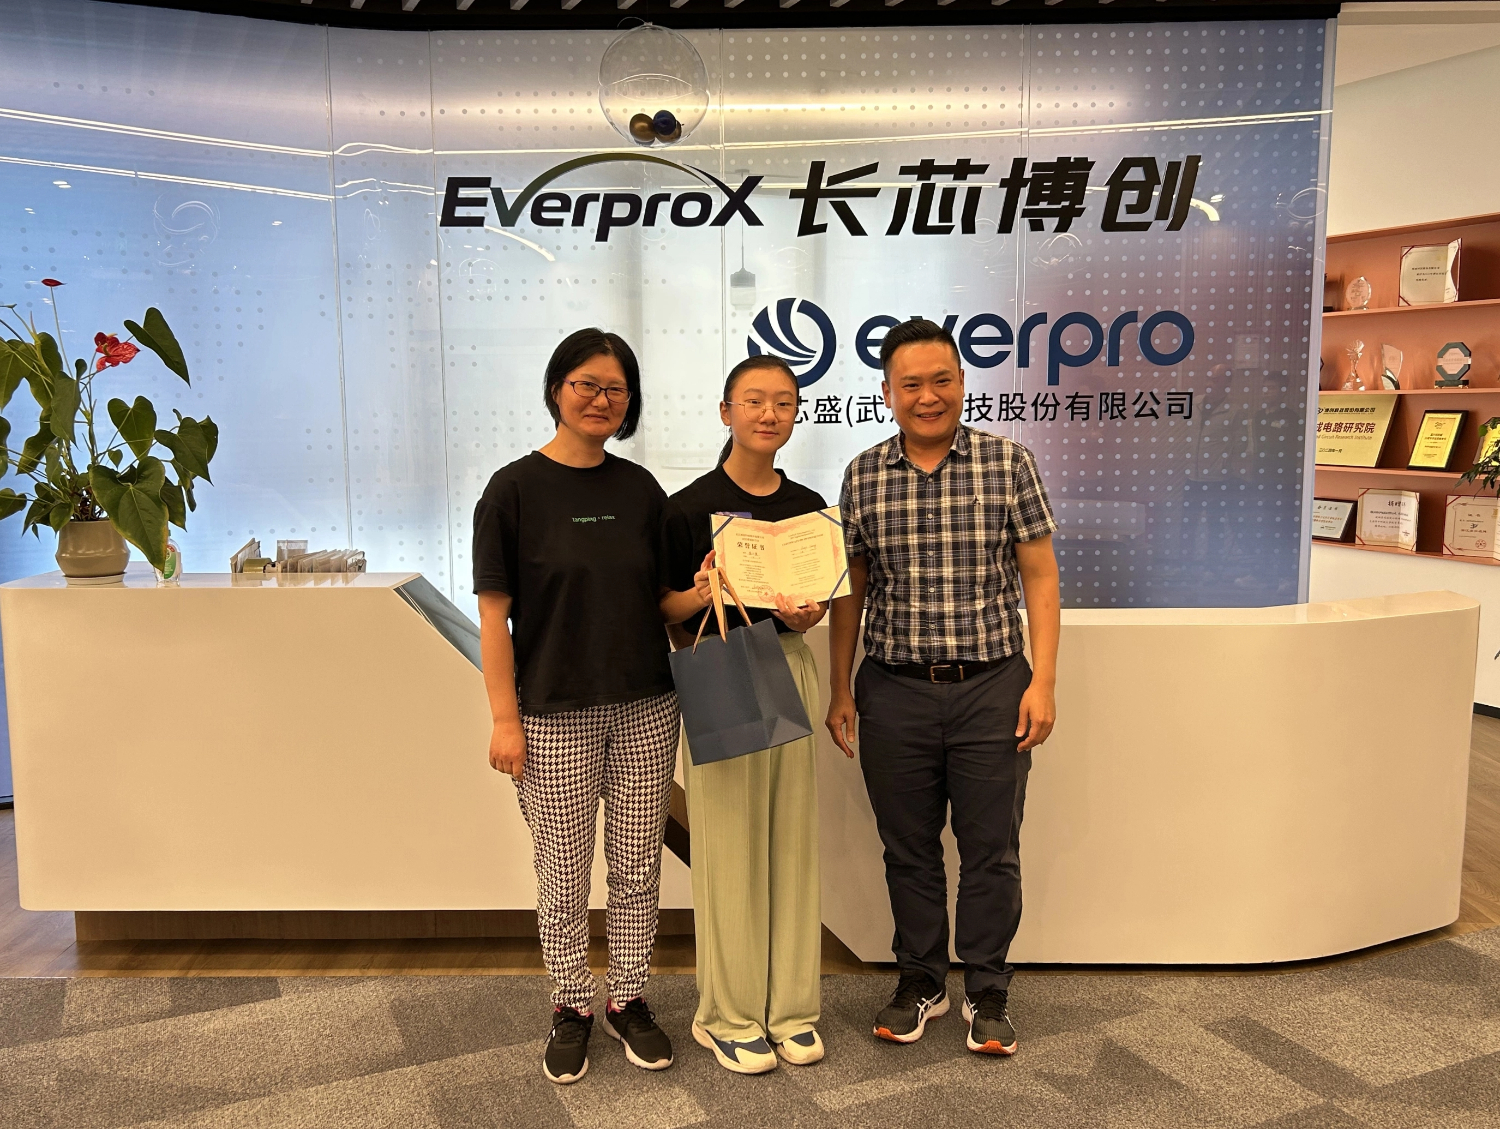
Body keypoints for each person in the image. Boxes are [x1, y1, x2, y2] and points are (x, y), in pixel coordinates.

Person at [825, 318, 1061, 1057]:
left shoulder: (1008, 463)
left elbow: (1040, 575)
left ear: (962, 382)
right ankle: (922, 980)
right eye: (911, 385)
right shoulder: (863, 474)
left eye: (942, 381)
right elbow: (851, 591)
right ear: (886, 393)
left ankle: (988, 987)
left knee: (992, 849)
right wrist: (840, 688)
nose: (928, 397)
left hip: (993, 685)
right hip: (893, 690)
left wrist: (1044, 680)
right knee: (908, 849)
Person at [473, 328, 679, 1085]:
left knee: (637, 866)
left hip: (646, 706)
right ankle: (570, 1005)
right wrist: (505, 718)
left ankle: (628, 997)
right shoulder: (512, 490)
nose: (601, 399)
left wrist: (716, 584)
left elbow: (664, 602)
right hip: (552, 712)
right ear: (557, 387)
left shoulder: (641, 491)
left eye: (616, 389)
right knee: (562, 870)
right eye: (587, 384)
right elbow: (494, 617)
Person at [659, 356, 828, 1075]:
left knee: (791, 841)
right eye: (754, 400)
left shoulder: (811, 506)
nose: (769, 414)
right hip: (723, 665)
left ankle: (790, 1008)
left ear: (796, 415)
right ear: (725, 411)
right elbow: (664, 610)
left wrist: (810, 614)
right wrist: (702, 592)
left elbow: (816, 602)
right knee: (728, 845)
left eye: (784, 402)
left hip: (788, 661)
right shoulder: (686, 507)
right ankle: (726, 1014)